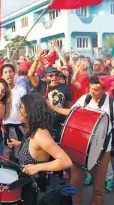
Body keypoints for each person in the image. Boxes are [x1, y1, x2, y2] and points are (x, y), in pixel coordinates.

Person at [48, 74, 113, 205]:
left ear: (105, 90)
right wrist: (53, 107)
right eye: (90, 88)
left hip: (102, 150)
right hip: (80, 148)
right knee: (75, 182)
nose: (91, 92)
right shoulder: (85, 99)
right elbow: (71, 113)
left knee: (99, 187)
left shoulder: (111, 104)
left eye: (96, 89)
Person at [8, 93, 72, 205]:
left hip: (36, 187)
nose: (19, 110)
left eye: (22, 107)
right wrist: (19, 143)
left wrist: (38, 167)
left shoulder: (40, 134)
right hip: (27, 183)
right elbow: (34, 147)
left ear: (32, 111)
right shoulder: (32, 128)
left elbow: (66, 161)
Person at [1, 64, 27, 160]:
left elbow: (25, 109)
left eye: (10, 71)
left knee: (19, 155)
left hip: (19, 126)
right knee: (5, 156)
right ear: (2, 75)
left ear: (14, 73)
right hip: (3, 128)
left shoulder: (21, 90)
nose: (8, 74)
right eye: (5, 72)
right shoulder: (0, 91)